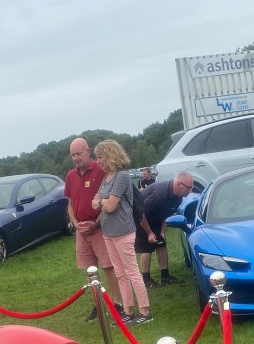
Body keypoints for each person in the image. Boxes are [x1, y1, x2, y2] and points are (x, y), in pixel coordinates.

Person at [92, 139, 151, 325]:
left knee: (132, 271)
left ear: (110, 155)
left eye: (100, 157)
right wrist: (103, 202)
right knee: (119, 273)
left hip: (124, 231)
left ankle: (145, 311)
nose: (98, 161)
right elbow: (95, 202)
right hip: (108, 232)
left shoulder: (122, 176)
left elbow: (109, 206)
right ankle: (128, 311)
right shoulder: (106, 178)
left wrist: (102, 202)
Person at [64, 137, 121, 320]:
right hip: (81, 230)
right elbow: (70, 203)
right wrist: (75, 224)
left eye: (78, 154)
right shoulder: (70, 176)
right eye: (73, 155)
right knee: (90, 270)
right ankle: (98, 305)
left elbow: (109, 200)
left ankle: (117, 304)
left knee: (108, 266)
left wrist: (95, 223)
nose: (75, 158)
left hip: (100, 227)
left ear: (88, 151)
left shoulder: (100, 170)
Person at [135, 172, 191, 289]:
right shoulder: (159, 194)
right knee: (146, 248)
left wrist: (162, 232)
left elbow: (167, 215)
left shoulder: (178, 198)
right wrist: (150, 233)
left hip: (156, 218)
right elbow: (140, 213)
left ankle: (165, 276)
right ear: (179, 184)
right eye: (188, 187)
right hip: (141, 219)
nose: (190, 191)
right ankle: (146, 280)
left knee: (161, 243)